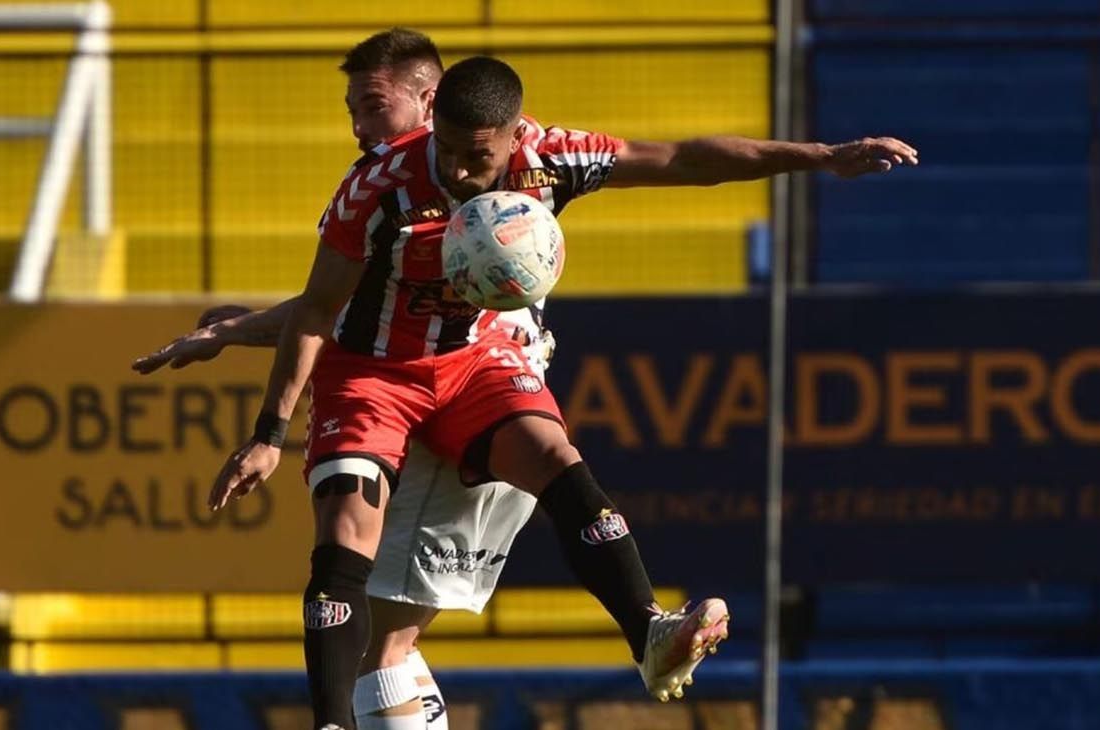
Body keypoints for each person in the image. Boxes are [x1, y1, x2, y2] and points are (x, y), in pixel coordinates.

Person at [191, 55, 916, 730]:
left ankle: (649, 633)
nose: (460, 170)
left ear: (513, 138)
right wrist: (267, 430)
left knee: (553, 455)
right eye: (447, 148)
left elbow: (686, 159)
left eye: (479, 156)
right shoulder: (379, 188)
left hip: (473, 360)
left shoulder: (553, 158)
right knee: (349, 538)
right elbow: (319, 310)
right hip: (375, 373)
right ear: (432, 118)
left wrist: (822, 156)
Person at [133, 30, 548, 730]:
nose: (358, 125)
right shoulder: (435, 175)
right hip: (454, 405)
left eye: (373, 106)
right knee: (377, 638)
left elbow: (347, 316)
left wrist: (236, 335)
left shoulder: (445, 186)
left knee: (376, 641)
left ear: (430, 100)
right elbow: (347, 312)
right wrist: (238, 329)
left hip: (460, 405)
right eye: (350, 108)